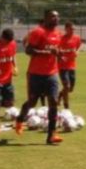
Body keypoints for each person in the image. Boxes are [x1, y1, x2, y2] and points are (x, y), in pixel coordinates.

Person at [14, 10, 64, 145]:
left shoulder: (58, 34)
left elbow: (55, 51)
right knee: (32, 102)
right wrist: (48, 52)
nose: (56, 18)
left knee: (53, 102)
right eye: (53, 16)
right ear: (46, 18)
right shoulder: (38, 32)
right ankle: (20, 119)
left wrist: (58, 53)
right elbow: (29, 50)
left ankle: (51, 135)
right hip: (35, 74)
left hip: (52, 73)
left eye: (57, 16)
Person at [58, 21, 82, 110]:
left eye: (73, 29)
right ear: (66, 29)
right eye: (71, 29)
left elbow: (79, 46)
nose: (72, 30)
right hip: (62, 66)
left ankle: (60, 95)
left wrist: (77, 51)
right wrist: (61, 56)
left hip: (72, 66)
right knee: (66, 86)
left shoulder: (77, 38)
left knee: (70, 89)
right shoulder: (61, 38)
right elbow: (57, 50)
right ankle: (66, 106)